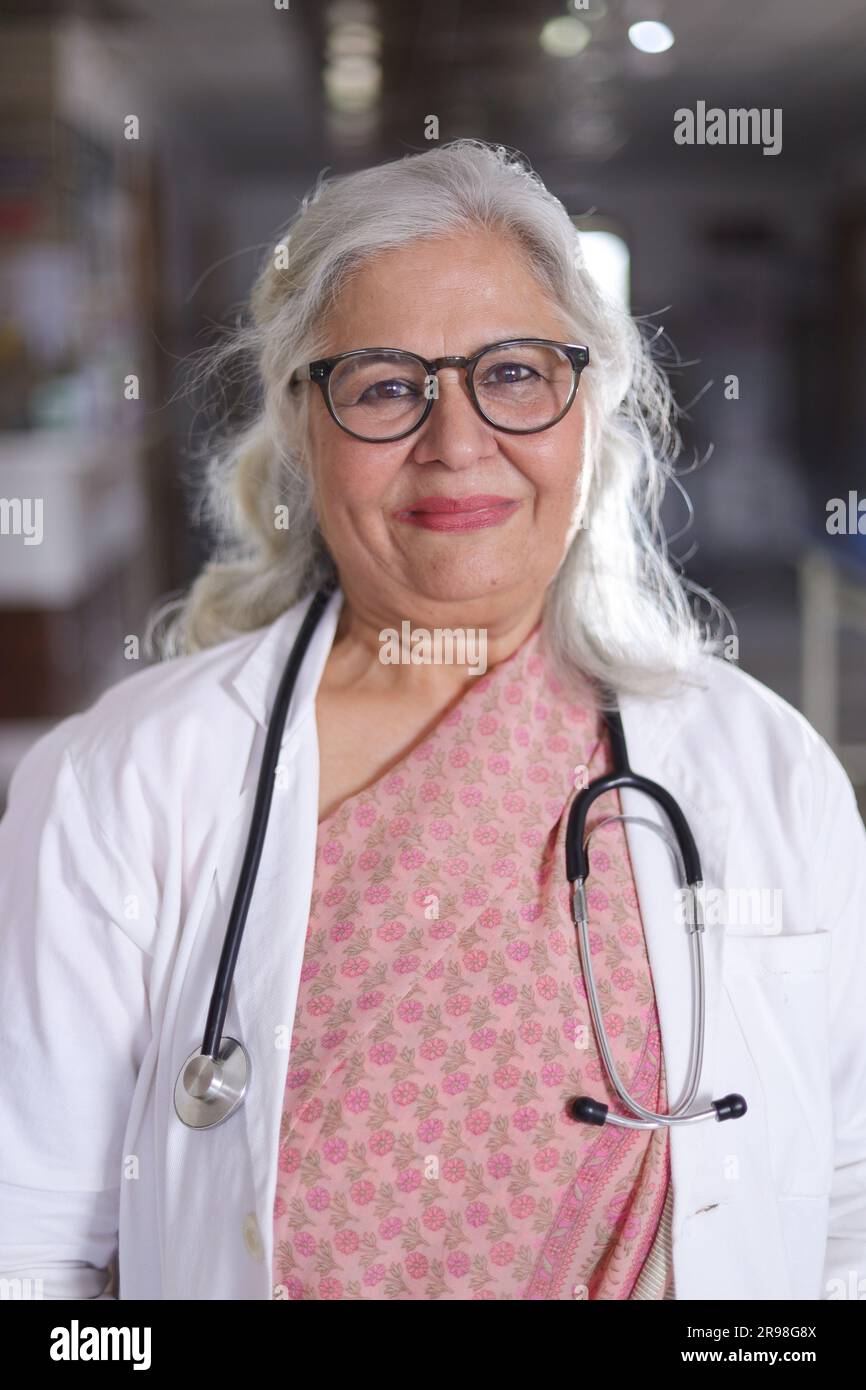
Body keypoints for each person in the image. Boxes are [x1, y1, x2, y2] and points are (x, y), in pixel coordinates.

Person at [1, 139, 864, 1302]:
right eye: (384, 386)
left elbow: (845, 1207)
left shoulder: (762, 769)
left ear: (587, 406)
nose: (455, 442)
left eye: (511, 374)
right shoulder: (122, 782)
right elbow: (32, 1256)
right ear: (303, 431)